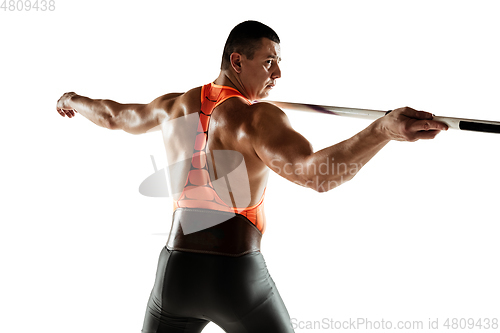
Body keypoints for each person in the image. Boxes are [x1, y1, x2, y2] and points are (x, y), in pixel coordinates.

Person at [56, 20, 448, 333]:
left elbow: (112, 115)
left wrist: (71, 100)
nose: (277, 74)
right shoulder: (256, 118)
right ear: (237, 61)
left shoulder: (173, 106)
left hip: (175, 275)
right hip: (235, 278)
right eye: (269, 62)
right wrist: (381, 131)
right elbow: (317, 176)